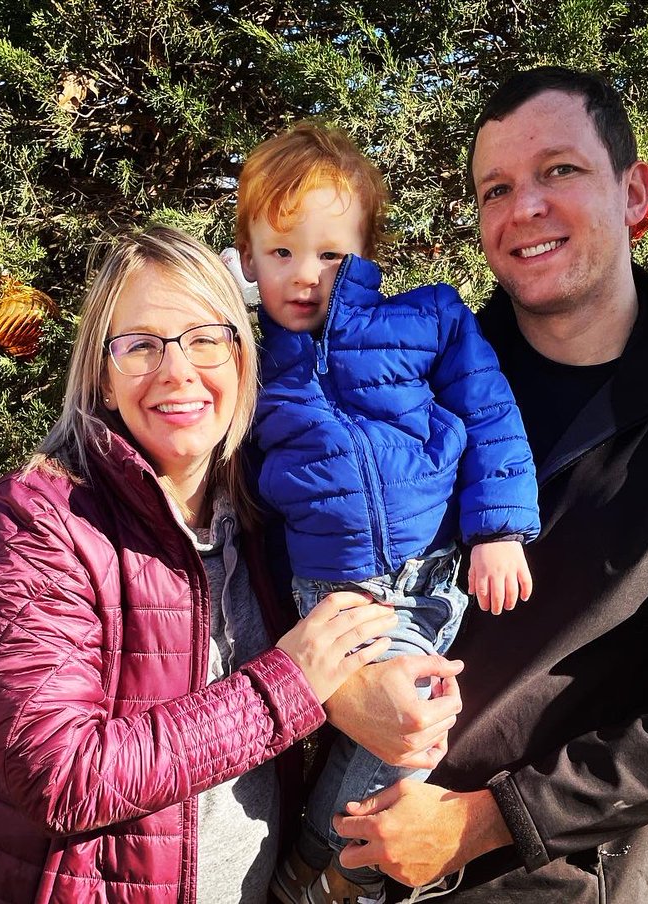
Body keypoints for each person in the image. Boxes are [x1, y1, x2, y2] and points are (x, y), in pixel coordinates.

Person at [323, 67, 648, 902]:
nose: (524, 207)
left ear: (633, 193)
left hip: (540, 879)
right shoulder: (405, 385)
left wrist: (483, 820)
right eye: (497, 188)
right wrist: (341, 688)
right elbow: (287, 563)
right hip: (327, 850)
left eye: (559, 170)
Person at [0, 226, 400, 904]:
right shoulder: (39, 523)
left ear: (242, 361)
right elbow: (61, 777)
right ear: (104, 380)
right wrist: (285, 687)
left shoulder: (266, 518)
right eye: (141, 345)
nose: (177, 371)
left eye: (206, 339)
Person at [232, 122, 541, 904]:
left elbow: (491, 414)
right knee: (409, 719)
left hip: (433, 567)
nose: (306, 274)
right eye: (281, 252)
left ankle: (320, 863)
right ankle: (341, 873)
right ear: (248, 258)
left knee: (403, 723)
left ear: (368, 250)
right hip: (335, 590)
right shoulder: (248, 357)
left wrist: (499, 528)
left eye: (331, 253)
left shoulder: (427, 318)